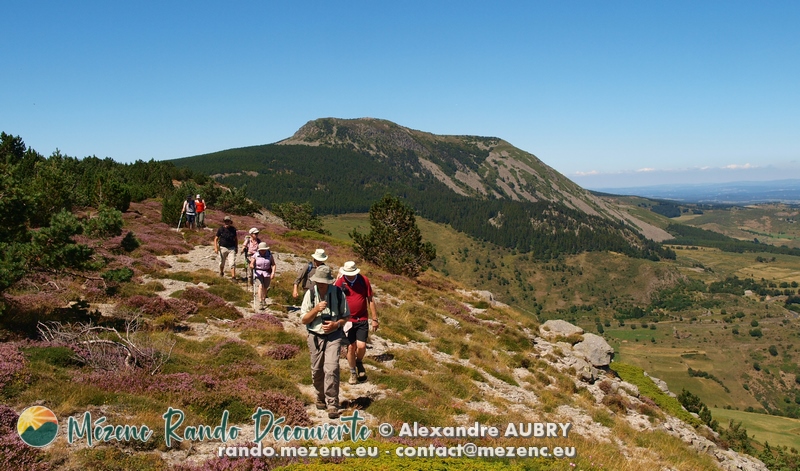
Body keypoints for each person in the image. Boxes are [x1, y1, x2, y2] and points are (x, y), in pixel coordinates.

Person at [300, 265, 349, 419]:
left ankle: (332, 403)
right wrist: (316, 310)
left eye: (323, 282)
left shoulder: (338, 293)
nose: (320, 284)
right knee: (317, 370)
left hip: (334, 336)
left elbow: (346, 316)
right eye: (318, 281)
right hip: (315, 336)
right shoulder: (310, 294)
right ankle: (320, 396)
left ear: (329, 282)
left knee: (332, 368)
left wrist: (336, 324)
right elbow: (304, 320)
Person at [334, 261, 378, 384]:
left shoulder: (363, 280)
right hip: (347, 320)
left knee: (361, 346)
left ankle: (359, 361)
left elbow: (370, 299)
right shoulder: (340, 281)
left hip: (362, 318)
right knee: (350, 347)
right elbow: (332, 296)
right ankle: (353, 372)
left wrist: (374, 319)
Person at [251, 242, 276, 310]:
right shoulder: (256, 255)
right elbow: (251, 263)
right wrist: (252, 265)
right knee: (260, 286)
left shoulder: (269, 255)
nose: (262, 251)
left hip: (266, 272)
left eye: (264, 250)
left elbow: (273, 264)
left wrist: (273, 273)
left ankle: (264, 299)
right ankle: (260, 301)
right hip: (258, 272)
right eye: (261, 250)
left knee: (265, 287)